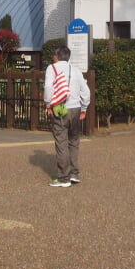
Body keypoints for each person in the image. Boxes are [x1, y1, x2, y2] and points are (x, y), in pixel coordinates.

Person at [43, 45, 90, 188]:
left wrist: (48, 104)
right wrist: (84, 108)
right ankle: (74, 173)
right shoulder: (75, 70)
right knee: (74, 141)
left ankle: (63, 177)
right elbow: (85, 91)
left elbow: (48, 87)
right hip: (75, 108)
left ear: (57, 56)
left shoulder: (52, 68)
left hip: (60, 109)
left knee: (61, 142)